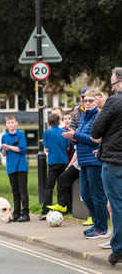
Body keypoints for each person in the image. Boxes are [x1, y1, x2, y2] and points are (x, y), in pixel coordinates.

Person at [63, 89, 109, 239]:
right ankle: (97, 224)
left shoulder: (99, 116)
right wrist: (73, 137)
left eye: (91, 100)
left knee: (97, 195)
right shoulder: (83, 116)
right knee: (85, 194)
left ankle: (102, 228)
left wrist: (75, 135)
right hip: (83, 161)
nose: (87, 103)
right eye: (85, 100)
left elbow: (95, 139)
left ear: (97, 101)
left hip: (94, 161)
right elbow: (82, 138)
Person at [91, 67, 122, 264]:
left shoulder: (115, 101)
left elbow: (95, 132)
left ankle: (118, 249)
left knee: (117, 206)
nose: (112, 89)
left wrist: (104, 108)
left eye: (113, 85)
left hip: (115, 162)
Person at [39, 113, 69, 220]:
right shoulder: (64, 132)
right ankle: (62, 207)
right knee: (62, 185)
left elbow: (46, 148)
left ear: (49, 122)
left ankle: (45, 210)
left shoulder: (46, 133)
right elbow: (67, 148)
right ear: (59, 121)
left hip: (53, 162)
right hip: (64, 160)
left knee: (49, 187)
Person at [1, 115, 30, 222]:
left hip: (21, 167)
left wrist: (8, 147)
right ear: (6, 124)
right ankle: (16, 212)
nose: (11, 125)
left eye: (12, 122)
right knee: (15, 192)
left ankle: (26, 213)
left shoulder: (21, 134)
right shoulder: (4, 137)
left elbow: (22, 149)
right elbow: (3, 153)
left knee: (23, 191)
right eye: (9, 123)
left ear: (16, 123)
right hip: (11, 168)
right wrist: (4, 149)